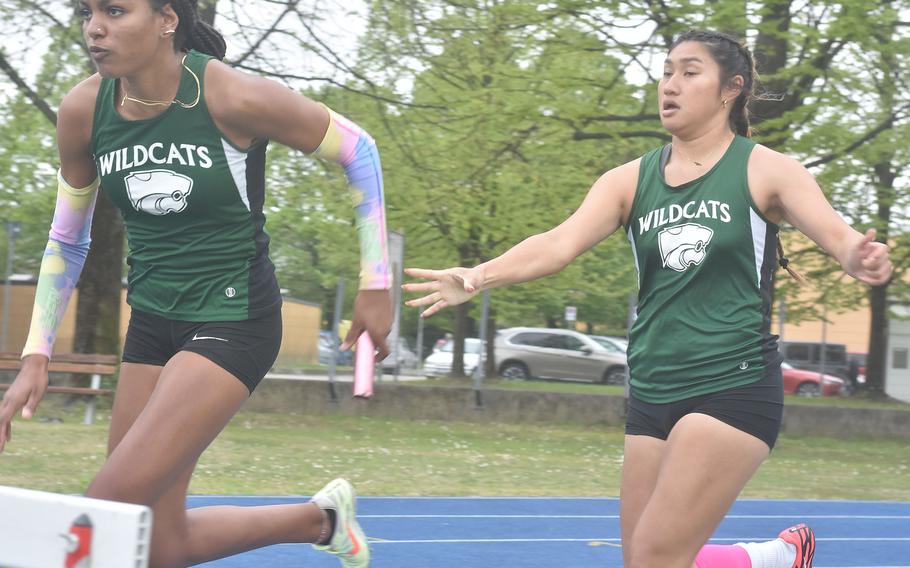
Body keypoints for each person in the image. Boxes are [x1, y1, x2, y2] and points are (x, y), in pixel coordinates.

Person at [404, 29, 892, 568]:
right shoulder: (629, 180)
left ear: (730, 89)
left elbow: (839, 237)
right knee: (643, 559)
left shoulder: (765, 169)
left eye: (689, 72)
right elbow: (558, 243)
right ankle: (769, 558)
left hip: (731, 383)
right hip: (653, 388)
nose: (671, 85)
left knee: (658, 556)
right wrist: (477, 275)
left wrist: (857, 256)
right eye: (666, 72)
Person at [0, 1, 392, 567]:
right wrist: (37, 353)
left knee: (104, 509)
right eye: (89, 12)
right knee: (155, 544)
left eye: (115, 10)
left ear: (166, 20)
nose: (95, 28)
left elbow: (359, 149)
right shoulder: (84, 110)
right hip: (154, 320)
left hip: (234, 318)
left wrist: (376, 283)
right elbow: (67, 239)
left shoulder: (231, 96)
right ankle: (321, 520)